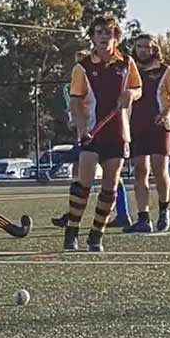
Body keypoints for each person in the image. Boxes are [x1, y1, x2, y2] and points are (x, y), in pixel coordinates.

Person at [61, 14, 141, 252]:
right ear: (93, 37)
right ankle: (71, 233)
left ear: (116, 36)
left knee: (110, 186)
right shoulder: (82, 67)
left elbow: (137, 88)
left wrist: (130, 95)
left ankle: (96, 236)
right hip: (92, 133)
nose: (104, 37)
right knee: (83, 184)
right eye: (99, 32)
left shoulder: (126, 63)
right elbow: (75, 101)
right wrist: (81, 127)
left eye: (109, 32)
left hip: (118, 132)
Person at [124, 33, 170, 233]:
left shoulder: (166, 71)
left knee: (159, 169)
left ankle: (164, 209)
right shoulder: (129, 71)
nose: (143, 50)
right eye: (139, 46)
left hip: (159, 126)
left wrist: (167, 112)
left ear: (154, 48)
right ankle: (143, 218)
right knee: (140, 170)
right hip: (136, 126)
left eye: (147, 47)